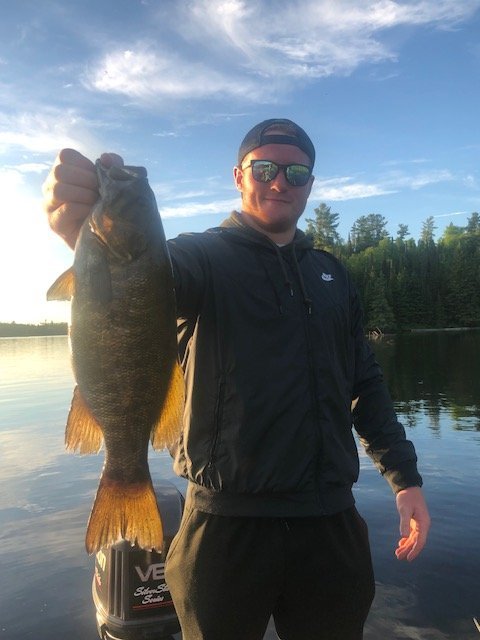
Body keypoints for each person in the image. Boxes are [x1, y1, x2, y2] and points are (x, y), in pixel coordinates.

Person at [43, 118, 430, 640]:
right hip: (223, 530)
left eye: (296, 173)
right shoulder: (199, 258)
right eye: (265, 168)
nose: (280, 182)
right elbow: (145, 275)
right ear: (239, 176)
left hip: (330, 524)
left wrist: (405, 479)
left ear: (310, 184)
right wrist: (83, 234)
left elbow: (366, 385)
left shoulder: (333, 276)